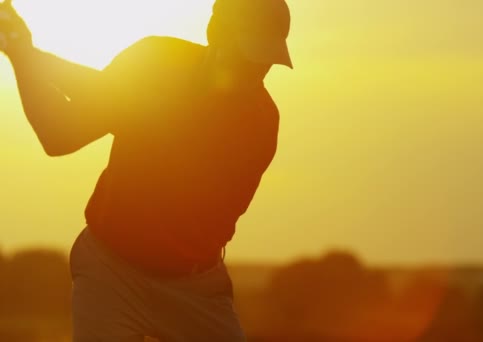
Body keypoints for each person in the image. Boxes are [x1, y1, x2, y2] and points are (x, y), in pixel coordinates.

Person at [0, 0, 292, 340]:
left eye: (265, 60)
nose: (254, 70)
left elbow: (156, 123)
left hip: (195, 290)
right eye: (246, 54)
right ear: (216, 34)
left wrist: (25, 53)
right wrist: (24, 55)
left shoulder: (259, 123)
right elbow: (60, 134)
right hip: (110, 272)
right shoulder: (155, 59)